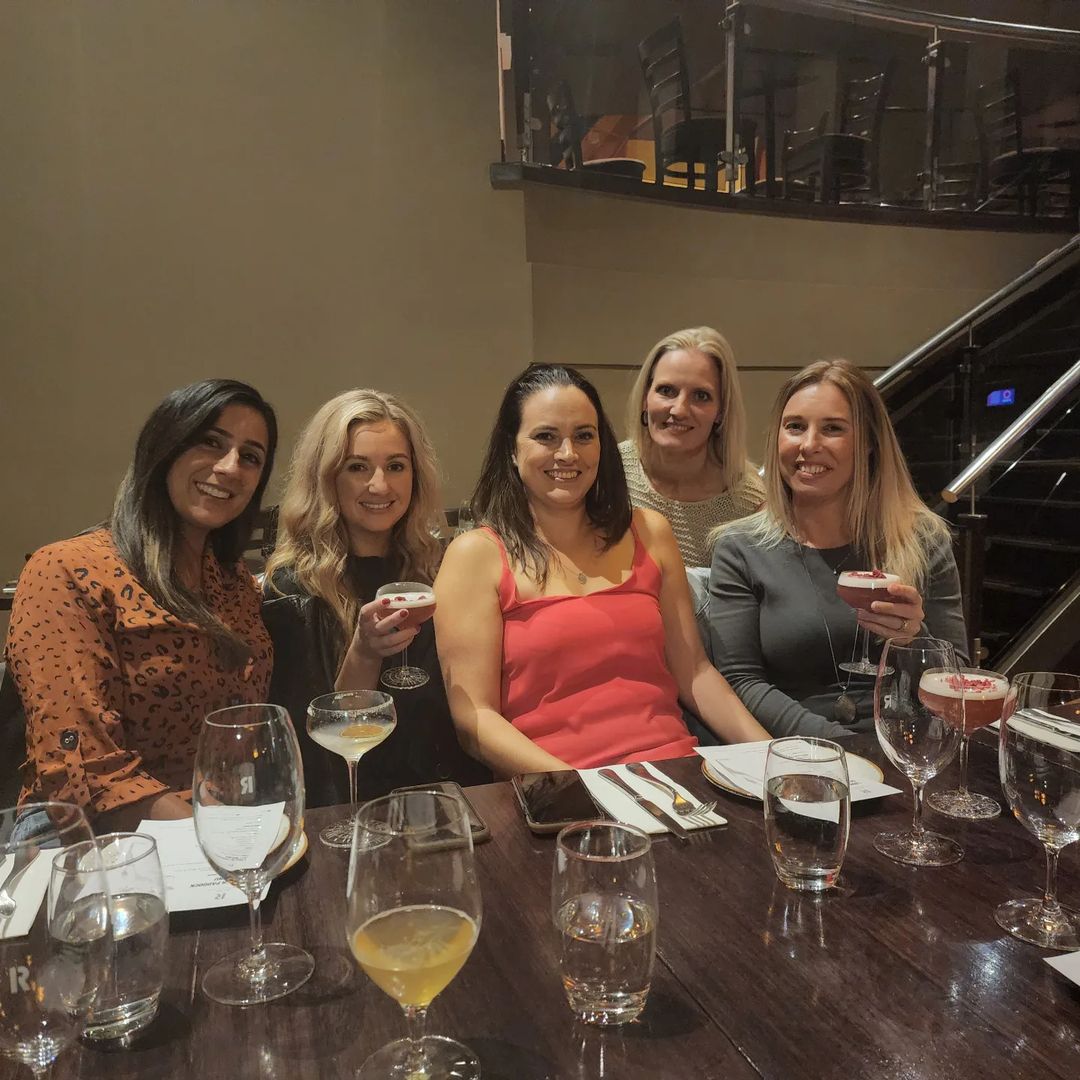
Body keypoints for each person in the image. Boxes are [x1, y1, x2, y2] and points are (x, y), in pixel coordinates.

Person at [434, 364, 771, 777]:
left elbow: (695, 673)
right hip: (560, 789)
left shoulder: (650, 532)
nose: (567, 454)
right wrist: (580, 789)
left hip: (676, 777)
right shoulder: (475, 555)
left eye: (583, 436)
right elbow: (475, 721)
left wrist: (774, 757)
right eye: (546, 436)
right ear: (511, 449)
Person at [6, 379, 277, 825]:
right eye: (211, 442)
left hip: (226, 820)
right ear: (164, 448)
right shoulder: (67, 569)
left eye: (250, 457)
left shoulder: (236, 584)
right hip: (95, 836)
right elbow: (81, 769)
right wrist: (215, 838)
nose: (231, 467)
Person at [709, 359, 968, 738]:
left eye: (832, 429)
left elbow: (956, 681)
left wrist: (915, 639)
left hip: (907, 744)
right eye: (794, 427)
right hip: (795, 748)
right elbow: (740, 681)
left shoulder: (924, 539)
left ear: (869, 444)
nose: (808, 445)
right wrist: (839, 746)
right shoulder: (740, 548)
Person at [262, 389, 489, 806]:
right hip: (361, 804)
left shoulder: (438, 566)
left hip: (455, 797)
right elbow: (322, 743)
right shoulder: (293, 590)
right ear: (326, 477)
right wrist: (365, 652)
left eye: (396, 466)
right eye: (357, 467)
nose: (380, 485)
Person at [620, 326, 765, 567]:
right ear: (646, 397)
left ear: (721, 411)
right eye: (666, 391)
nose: (679, 410)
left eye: (701, 396)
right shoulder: (608, 470)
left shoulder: (749, 503)